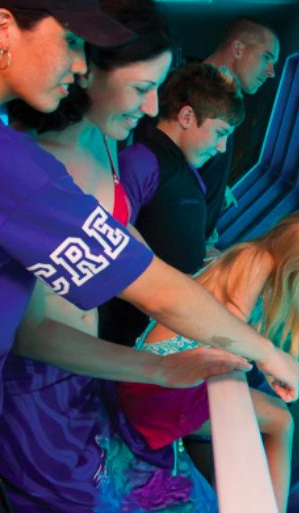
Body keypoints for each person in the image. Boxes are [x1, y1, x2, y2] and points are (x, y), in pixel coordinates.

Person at [0, 0, 299, 513]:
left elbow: (32, 326)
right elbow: (153, 287)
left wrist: (157, 370)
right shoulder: (16, 164)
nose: (80, 63)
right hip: (31, 414)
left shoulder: (68, 151)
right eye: (69, 42)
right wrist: (268, 353)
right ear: (3, 29)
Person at [117, 208, 299, 512]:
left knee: (274, 417)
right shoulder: (258, 261)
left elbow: (226, 324)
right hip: (155, 392)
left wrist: (268, 357)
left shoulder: (252, 256)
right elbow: (222, 331)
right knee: (280, 420)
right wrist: (267, 357)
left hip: (151, 379)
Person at [99, 62, 244, 346]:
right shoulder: (139, 163)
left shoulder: (191, 174)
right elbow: (110, 245)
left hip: (163, 325)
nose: (221, 147)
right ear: (187, 116)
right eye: (220, 133)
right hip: (124, 329)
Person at [201, 17, 280, 250]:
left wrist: (217, 189)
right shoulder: (197, 94)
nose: (271, 72)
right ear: (237, 49)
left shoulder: (225, 97)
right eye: (266, 57)